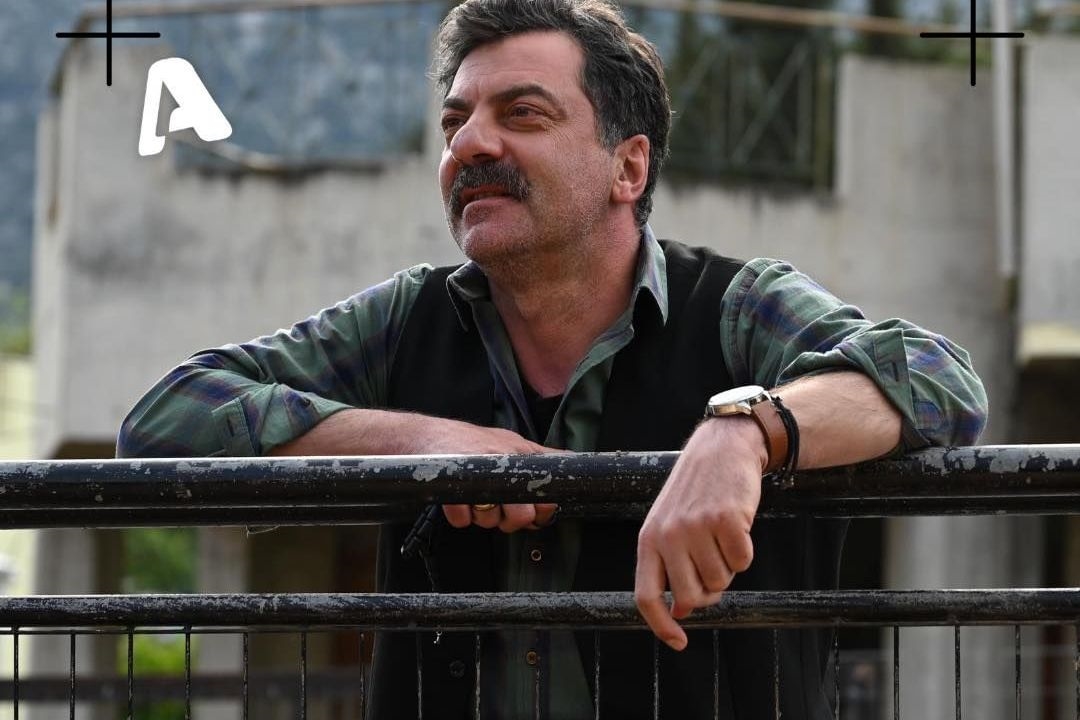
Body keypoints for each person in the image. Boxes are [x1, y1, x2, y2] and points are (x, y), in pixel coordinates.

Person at [116, 0, 988, 716]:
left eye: (522, 114)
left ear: (628, 168)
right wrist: (426, 445)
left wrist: (747, 434)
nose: (470, 144)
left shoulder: (736, 304)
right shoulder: (406, 319)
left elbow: (938, 377)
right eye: (455, 121)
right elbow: (163, 423)